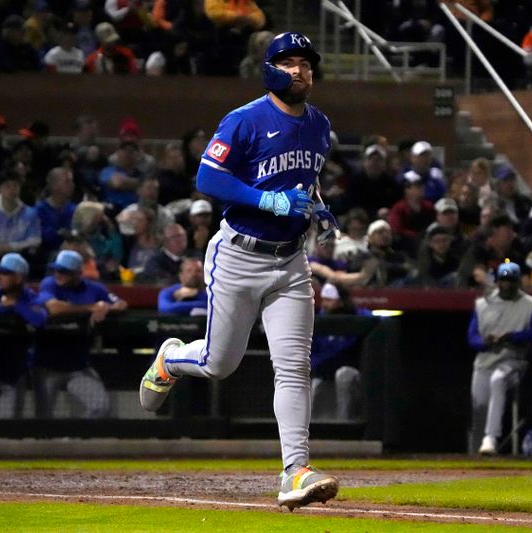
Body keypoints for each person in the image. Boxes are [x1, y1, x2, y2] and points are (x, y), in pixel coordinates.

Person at [138, 32, 339, 510]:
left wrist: (321, 208)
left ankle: (295, 471)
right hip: (238, 256)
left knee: (293, 367)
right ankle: (171, 359)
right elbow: (208, 177)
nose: (298, 70)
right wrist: (267, 199)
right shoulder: (245, 119)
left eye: (305, 63)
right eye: (288, 62)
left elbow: (304, 183)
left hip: (290, 260)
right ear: (269, 69)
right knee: (220, 364)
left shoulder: (319, 124)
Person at [33, 250, 127, 418]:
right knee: (43, 421)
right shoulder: (49, 284)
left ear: (78, 273)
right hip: (46, 366)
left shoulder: (93, 288)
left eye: (64, 272)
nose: (59, 275)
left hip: (77, 367)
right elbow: (53, 308)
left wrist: (106, 308)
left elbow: (121, 304)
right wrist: (91, 307)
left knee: (101, 406)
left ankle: (73, 441)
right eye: (57, 270)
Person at [467, 261, 532, 455]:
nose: (507, 285)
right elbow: (471, 336)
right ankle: (475, 454)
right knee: (479, 405)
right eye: (504, 280)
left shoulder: (531, 305)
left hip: (514, 360)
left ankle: (491, 438)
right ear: (497, 281)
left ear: (518, 281)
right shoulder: (483, 304)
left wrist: (515, 336)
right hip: (485, 360)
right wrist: (484, 341)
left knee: (498, 379)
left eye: (511, 281)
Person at [0, 253, 47, 418]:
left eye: (5, 274)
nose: (0, 277)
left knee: (9, 426)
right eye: (0, 272)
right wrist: (2, 309)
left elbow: (39, 319)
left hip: (13, 371)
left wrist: (16, 305)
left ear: (19, 278)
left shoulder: (29, 297)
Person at [310, 283, 369, 421]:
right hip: (325, 371)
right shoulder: (320, 320)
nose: (324, 304)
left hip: (354, 372)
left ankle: (345, 423)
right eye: (323, 299)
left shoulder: (358, 317)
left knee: (343, 375)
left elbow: (379, 323)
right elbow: (313, 353)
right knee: (314, 383)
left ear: (341, 301)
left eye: (329, 300)